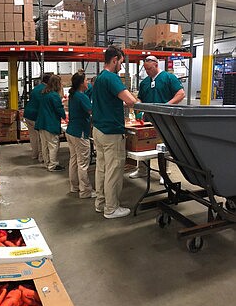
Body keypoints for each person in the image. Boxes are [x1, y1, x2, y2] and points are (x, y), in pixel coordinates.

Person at [91, 46, 138, 219]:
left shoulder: (100, 78)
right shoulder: (112, 78)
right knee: (114, 170)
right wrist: (134, 100)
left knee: (102, 168)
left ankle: (101, 203)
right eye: (121, 62)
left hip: (99, 130)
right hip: (111, 132)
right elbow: (131, 101)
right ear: (115, 59)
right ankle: (111, 208)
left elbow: (111, 100)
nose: (121, 66)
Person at [129, 55, 185, 182]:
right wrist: (139, 107)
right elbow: (140, 97)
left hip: (164, 118)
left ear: (156, 65)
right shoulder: (144, 83)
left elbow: (180, 93)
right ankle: (142, 169)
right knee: (144, 141)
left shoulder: (169, 78)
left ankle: (163, 172)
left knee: (162, 143)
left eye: (149, 68)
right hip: (148, 117)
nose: (147, 71)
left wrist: (166, 106)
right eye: (145, 69)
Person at [67, 72, 95, 198]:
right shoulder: (81, 96)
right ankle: (85, 191)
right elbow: (91, 111)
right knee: (83, 163)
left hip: (71, 131)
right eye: (86, 80)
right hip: (80, 133)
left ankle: (75, 186)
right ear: (81, 83)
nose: (87, 82)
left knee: (74, 160)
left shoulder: (73, 95)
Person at [35, 75, 66, 172]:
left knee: (45, 145)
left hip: (41, 123)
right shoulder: (54, 95)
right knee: (53, 145)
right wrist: (65, 116)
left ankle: (47, 163)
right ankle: (53, 165)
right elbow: (59, 109)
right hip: (50, 123)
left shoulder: (44, 93)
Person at [23, 73, 51, 162]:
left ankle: (34, 155)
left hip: (28, 115)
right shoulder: (45, 90)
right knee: (40, 138)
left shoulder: (36, 88)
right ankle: (41, 157)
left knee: (33, 137)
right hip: (36, 116)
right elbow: (44, 105)